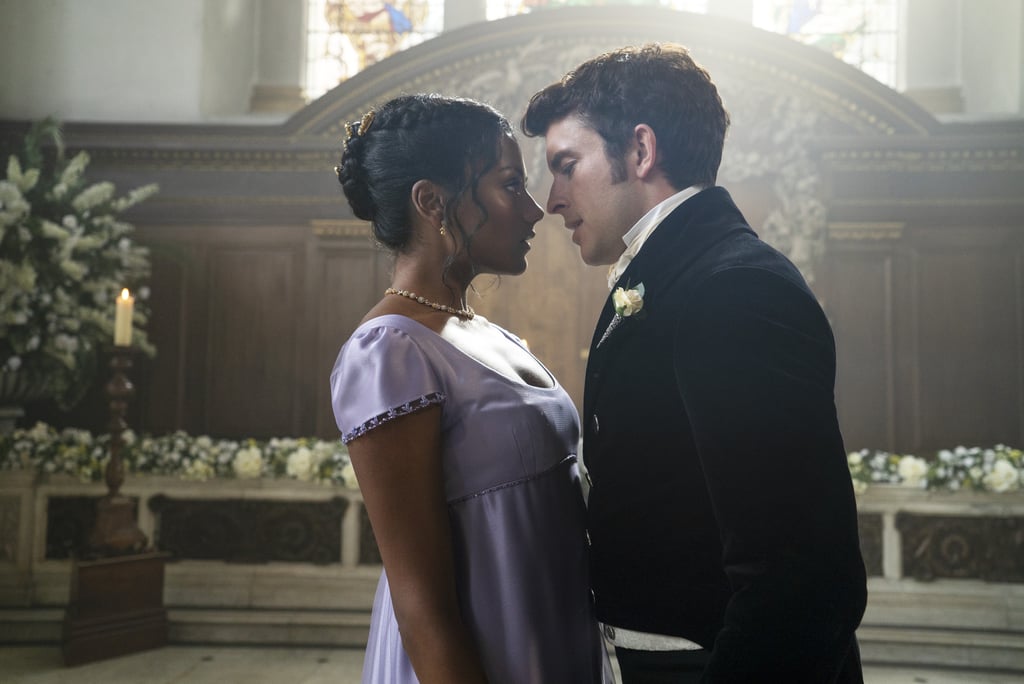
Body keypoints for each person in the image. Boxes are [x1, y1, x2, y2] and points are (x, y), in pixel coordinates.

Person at [522, 43, 867, 683]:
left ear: (641, 151)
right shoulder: (678, 275)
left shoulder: (732, 290)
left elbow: (803, 579)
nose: (552, 200)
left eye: (566, 165)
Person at [330, 93, 611, 684]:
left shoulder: (484, 332)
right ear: (432, 202)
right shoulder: (389, 351)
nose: (536, 211)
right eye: (510, 186)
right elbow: (419, 603)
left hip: (552, 636)